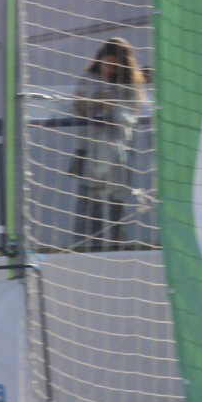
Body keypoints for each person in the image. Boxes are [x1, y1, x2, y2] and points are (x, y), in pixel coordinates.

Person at [70, 37, 144, 251]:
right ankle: (87, 249)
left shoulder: (129, 84)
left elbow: (134, 117)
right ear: (99, 60)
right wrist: (93, 103)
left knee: (116, 206)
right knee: (88, 203)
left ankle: (118, 251)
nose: (109, 69)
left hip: (118, 152)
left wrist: (114, 108)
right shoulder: (87, 79)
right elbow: (75, 109)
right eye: (106, 63)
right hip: (89, 150)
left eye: (114, 65)